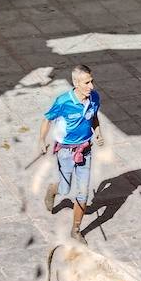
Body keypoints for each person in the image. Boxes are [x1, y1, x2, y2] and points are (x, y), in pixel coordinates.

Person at [38, 65, 105, 241]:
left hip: (85, 151)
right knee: (65, 188)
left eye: (92, 81)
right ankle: (53, 189)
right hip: (66, 152)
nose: (91, 86)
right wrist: (41, 140)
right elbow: (47, 119)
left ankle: (75, 230)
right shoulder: (63, 102)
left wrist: (98, 133)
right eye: (87, 82)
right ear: (76, 83)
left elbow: (94, 117)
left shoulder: (94, 98)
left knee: (83, 193)